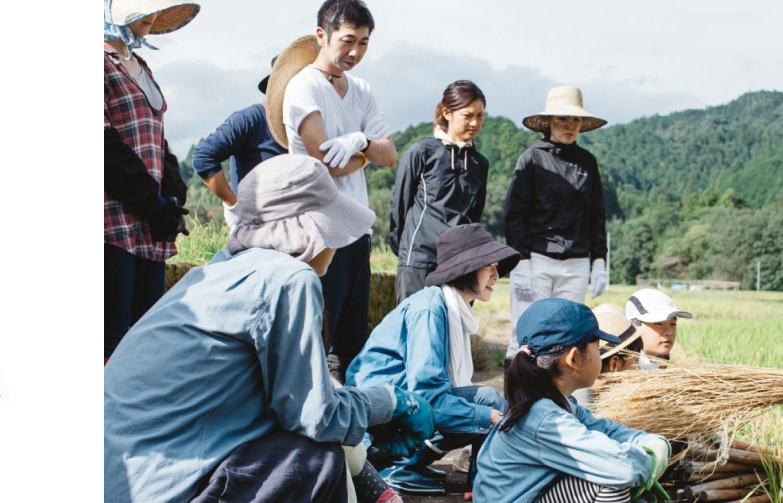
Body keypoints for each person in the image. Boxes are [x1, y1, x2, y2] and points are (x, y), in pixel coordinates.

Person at [104, 154, 435, 503]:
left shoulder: (216, 273)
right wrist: (392, 401)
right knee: (315, 462)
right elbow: (316, 418)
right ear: (312, 227)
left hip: (118, 479)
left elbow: (290, 403)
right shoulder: (288, 277)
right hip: (160, 489)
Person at [269, 0, 399, 380]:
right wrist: (364, 153)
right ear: (322, 35)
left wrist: (359, 141)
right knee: (316, 338)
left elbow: (390, 154)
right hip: (318, 230)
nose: (355, 51)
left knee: (354, 338)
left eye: (363, 42)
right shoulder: (302, 87)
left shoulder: (361, 89)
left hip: (357, 227)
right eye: (347, 40)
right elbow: (324, 160)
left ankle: (350, 429)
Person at [347, 223, 518, 495]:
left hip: (395, 413)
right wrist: (485, 416)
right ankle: (398, 466)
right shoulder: (429, 310)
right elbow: (429, 395)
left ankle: (476, 485)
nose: (497, 275)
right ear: (468, 268)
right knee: (488, 404)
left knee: (487, 402)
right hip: (376, 427)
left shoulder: (447, 307)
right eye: (490, 266)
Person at [476, 298, 670, 503]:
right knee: (611, 477)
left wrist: (652, 442)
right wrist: (650, 459)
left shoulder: (558, 404)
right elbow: (626, 468)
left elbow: (607, 430)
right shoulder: (545, 419)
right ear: (575, 358)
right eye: (596, 345)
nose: (600, 351)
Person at [102, 0, 197, 361]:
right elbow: (103, 145)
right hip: (113, 222)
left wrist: (172, 198)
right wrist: (150, 202)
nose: (152, 14)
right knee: (112, 336)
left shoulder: (140, 64)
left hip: (149, 223)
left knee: (146, 335)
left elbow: (157, 137)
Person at [503, 86, 611, 365]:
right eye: (562, 119)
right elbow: (515, 213)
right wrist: (521, 261)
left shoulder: (587, 162)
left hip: (576, 263)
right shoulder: (532, 159)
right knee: (525, 334)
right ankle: (516, 405)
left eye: (574, 120)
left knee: (565, 337)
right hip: (536, 260)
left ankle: (554, 403)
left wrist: (599, 260)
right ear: (548, 122)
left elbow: (596, 214)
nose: (568, 125)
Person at [388, 80, 491, 300]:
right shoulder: (421, 152)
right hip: (419, 260)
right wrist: (407, 253)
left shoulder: (480, 163)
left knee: (454, 333)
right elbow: (400, 206)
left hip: (461, 264)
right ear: (447, 113)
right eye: (468, 115)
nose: (474, 122)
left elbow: (475, 215)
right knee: (414, 329)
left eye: (480, 116)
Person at [190, 59, 287, 229]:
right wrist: (233, 205)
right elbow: (204, 156)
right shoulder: (250, 119)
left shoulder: (309, 124)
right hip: (257, 229)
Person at [624, 289, 693, 370]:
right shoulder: (626, 368)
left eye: (673, 324)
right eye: (658, 323)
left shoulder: (659, 363)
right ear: (634, 324)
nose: (669, 332)